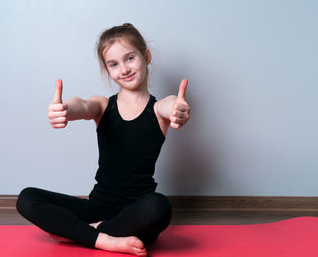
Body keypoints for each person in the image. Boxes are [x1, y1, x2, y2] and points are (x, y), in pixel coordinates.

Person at [16, 23, 190, 257]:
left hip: (136, 212)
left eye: (130, 58)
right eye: (114, 64)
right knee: (28, 198)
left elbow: (171, 105)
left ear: (146, 56)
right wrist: (65, 109)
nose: (124, 69)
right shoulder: (103, 105)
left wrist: (178, 110)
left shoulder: (159, 109)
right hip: (97, 207)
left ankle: (83, 233)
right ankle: (105, 239)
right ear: (107, 70)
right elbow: (83, 105)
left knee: (159, 207)